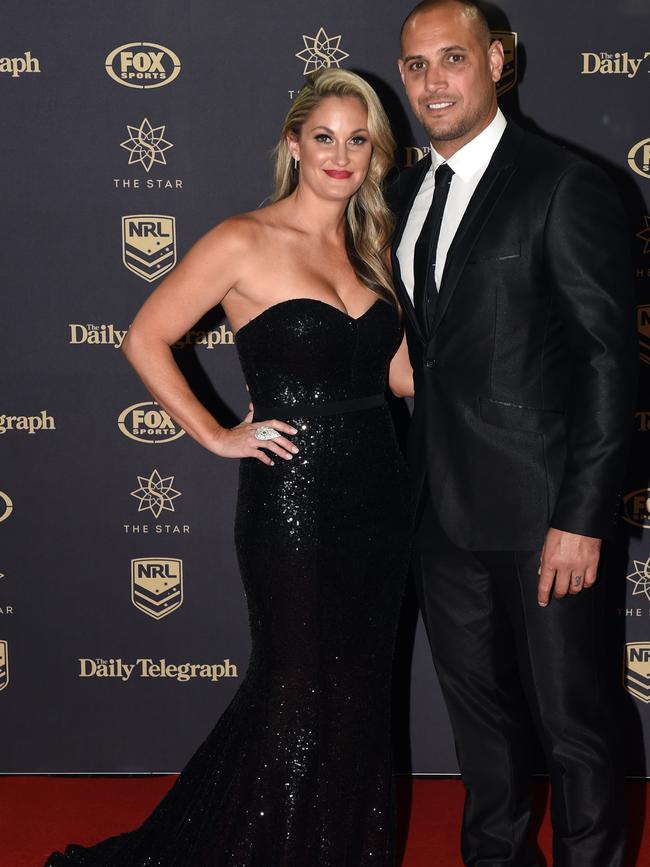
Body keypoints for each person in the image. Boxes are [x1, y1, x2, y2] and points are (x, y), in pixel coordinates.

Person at [45, 68, 414, 867]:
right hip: (293, 497)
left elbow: (400, 377)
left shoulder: (376, 245)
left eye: (358, 140)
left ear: (377, 154)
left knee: (359, 691)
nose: (340, 156)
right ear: (294, 143)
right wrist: (216, 434)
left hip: (382, 493)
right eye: (324, 138)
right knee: (294, 687)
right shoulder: (243, 239)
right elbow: (145, 335)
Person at [389, 1, 638, 865]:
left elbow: (610, 361)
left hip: (543, 517)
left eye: (451, 58)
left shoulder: (565, 184)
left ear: (498, 61)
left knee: (574, 730)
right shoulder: (401, 191)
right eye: (415, 65)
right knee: (481, 733)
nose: (431, 82)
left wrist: (583, 515)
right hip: (437, 510)